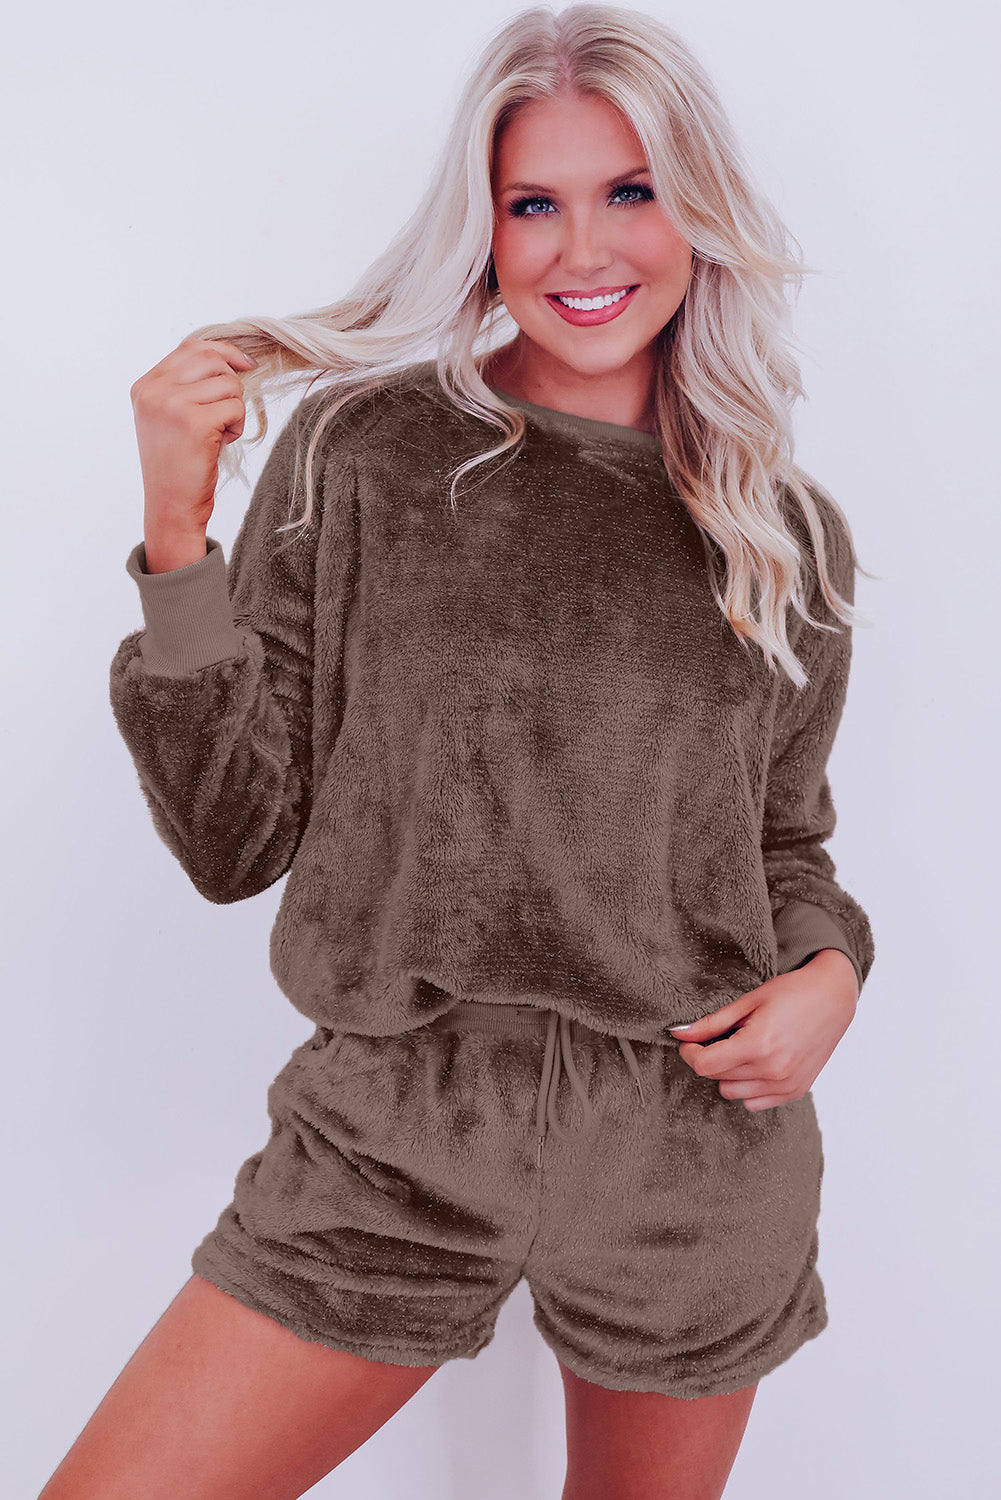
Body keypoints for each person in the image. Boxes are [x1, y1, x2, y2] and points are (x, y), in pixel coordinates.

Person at [40, 5, 876, 1498]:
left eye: (630, 191)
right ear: (480, 230)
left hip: (687, 1155)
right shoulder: (365, 451)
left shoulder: (784, 535)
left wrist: (831, 973)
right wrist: (177, 537)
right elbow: (232, 839)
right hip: (392, 1139)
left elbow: (781, 841)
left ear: (698, 209)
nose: (582, 249)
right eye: (532, 204)